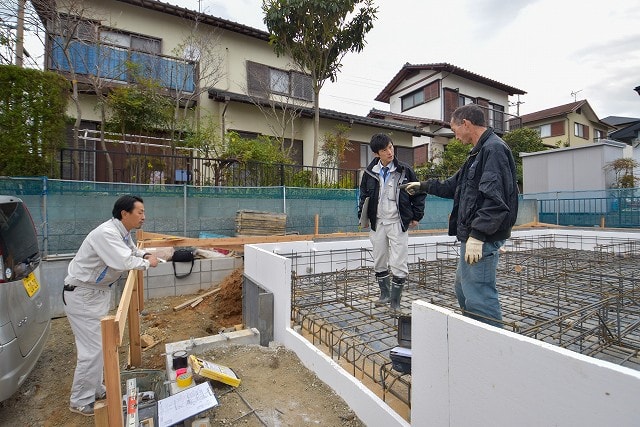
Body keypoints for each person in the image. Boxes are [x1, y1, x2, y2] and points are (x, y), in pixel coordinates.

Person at [404, 104, 518, 327]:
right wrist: (423, 186)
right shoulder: (477, 153)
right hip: (474, 235)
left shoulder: (493, 150)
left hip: (483, 236)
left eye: (455, 130)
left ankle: (490, 342)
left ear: (466, 124)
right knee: (463, 287)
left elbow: (495, 199)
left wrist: (478, 234)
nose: (455, 136)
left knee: (478, 293)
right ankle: (473, 333)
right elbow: (452, 186)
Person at [63, 195, 159, 416]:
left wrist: (143, 253)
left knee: (98, 346)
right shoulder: (106, 233)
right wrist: (148, 262)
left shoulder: (122, 233)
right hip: (83, 294)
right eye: (140, 212)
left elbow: (131, 251)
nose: (144, 217)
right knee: (93, 349)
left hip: (94, 294)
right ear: (124, 214)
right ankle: (80, 400)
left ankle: (95, 389)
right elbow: (123, 261)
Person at [358, 133, 426, 313]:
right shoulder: (369, 173)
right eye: (385, 149)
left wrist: (416, 215)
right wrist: (363, 217)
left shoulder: (405, 170)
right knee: (379, 259)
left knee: (398, 261)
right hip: (378, 222)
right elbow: (363, 195)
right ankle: (385, 294)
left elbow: (418, 193)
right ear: (376, 154)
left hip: (397, 221)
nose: (390, 152)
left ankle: (395, 302)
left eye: (391, 147)